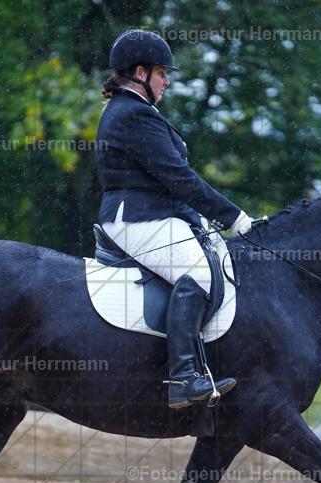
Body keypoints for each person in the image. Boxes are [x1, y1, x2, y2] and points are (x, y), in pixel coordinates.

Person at [95, 29, 254, 409]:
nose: (167, 80)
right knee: (198, 275)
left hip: (153, 214)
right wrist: (233, 216)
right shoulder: (133, 114)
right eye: (162, 73)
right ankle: (183, 378)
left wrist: (200, 217)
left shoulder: (135, 110)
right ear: (140, 72)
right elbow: (178, 179)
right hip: (136, 218)